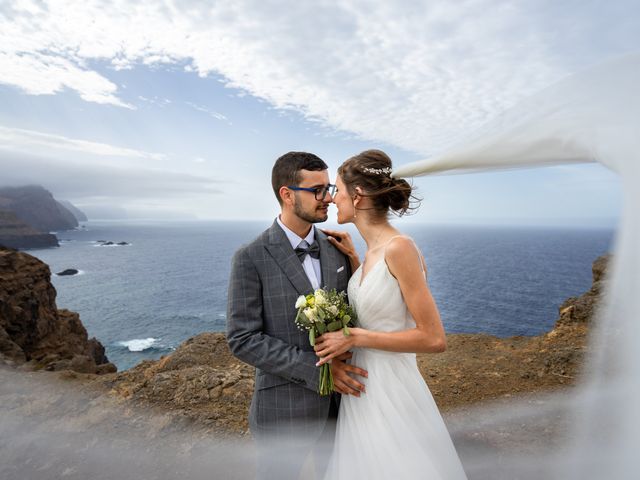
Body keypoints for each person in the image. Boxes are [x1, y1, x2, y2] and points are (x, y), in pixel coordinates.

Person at [315, 149, 468, 479]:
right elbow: (380, 302)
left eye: (336, 191)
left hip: (392, 392)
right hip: (361, 392)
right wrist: (356, 263)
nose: (331, 200)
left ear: (357, 197)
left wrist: (356, 337)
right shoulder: (371, 253)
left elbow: (433, 338)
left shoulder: (400, 248)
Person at [226, 151, 368, 480]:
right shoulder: (250, 257)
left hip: (341, 409)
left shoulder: (338, 249)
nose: (329, 198)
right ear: (287, 195)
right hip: (282, 413)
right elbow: (242, 339)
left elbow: (354, 313)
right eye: (317, 190)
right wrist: (321, 370)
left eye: (329, 187)